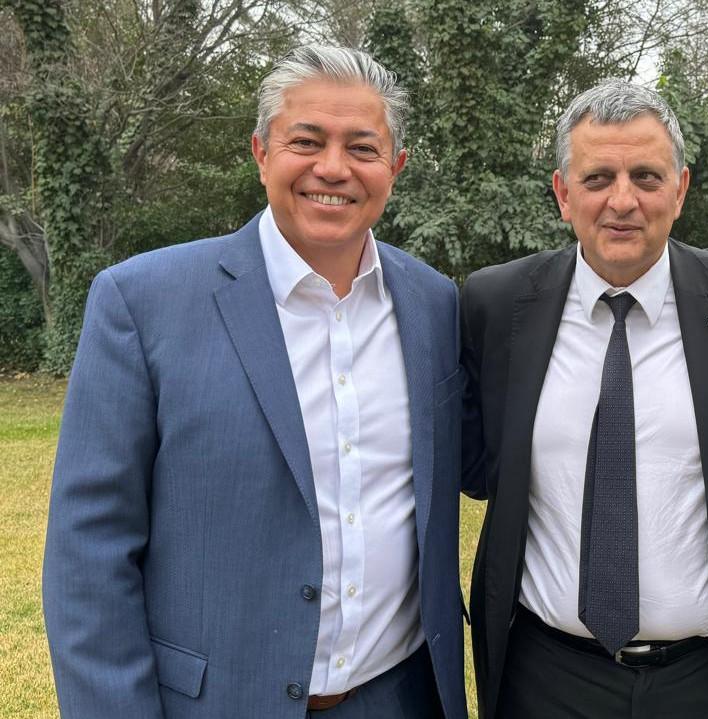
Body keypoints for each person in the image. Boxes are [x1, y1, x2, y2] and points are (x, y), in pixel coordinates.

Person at [43, 45, 466, 719]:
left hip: (401, 696)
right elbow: (88, 556)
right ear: (262, 153)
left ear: (396, 166)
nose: (334, 167)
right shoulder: (142, 302)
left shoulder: (433, 302)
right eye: (307, 141)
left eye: (362, 147)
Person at [459, 79, 708, 718]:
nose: (622, 200)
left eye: (647, 177)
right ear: (563, 193)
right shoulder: (497, 305)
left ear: (680, 190)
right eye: (598, 178)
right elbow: (474, 459)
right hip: (543, 676)